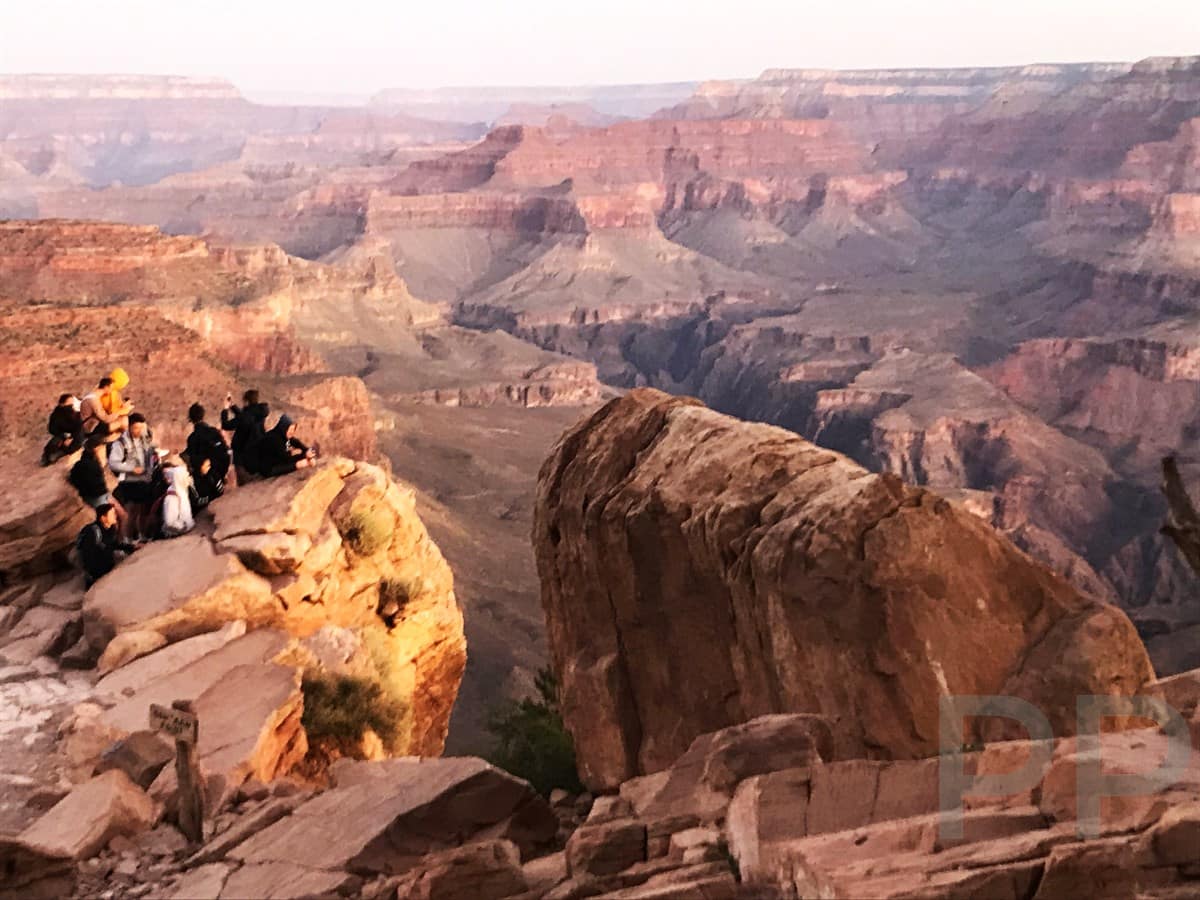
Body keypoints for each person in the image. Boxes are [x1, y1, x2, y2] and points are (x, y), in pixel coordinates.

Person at [68, 424, 129, 537]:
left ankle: (120, 541)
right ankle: (120, 542)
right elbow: (99, 486)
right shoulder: (93, 465)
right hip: (98, 497)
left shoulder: (80, 464)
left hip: (96, 496)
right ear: (96, 448)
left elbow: (73, 479)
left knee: (120, 516)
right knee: (120, 518)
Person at [108, 412, 161, 541]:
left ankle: (141, 535)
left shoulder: (144, 439)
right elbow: (113, 464)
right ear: (129, 426)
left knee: (142, 509)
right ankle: (126, 539)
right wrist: (131, 468)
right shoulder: (120, 443)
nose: (139, 431)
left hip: (144, 481)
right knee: (131, 511)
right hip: (129, 482)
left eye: (141, 428)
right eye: (136, 428)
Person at [75, 503, 136, 588]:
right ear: (103, 518)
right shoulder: (94, 531)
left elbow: (114, 544)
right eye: (112, 513)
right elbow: (90, 552)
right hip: (93, 567)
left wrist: (132, 547)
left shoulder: (110, 528)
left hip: (101, 561)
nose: (115, 515)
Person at [184, 403, 229, 510]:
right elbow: (225, 453)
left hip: (204, 482)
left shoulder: (193, 438)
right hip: (218, 477)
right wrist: (222, 474)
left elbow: (193, 461)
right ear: (203, 415)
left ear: (191, 419)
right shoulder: (214, 432)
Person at [221, 389, 269, 483]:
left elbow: (226, 425)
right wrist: (233, 406)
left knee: (245, 483)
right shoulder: (260, 413)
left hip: (242, 457)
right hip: (257, 453)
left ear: (246, 401)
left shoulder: (245, 416)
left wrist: (225, 409)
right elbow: (245, 418)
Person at [41, 393, 84, 466]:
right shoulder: (56, 415)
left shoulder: (75, 413)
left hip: (75, 437)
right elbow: (52, 428)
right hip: (62, 434)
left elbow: (78, 427)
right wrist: (63, 437)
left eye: (72, 404)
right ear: (61, 404)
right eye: (69, 404)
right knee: (54, 443)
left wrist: (71, 438)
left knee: (74, 444)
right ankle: (47, 455)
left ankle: (58, 454)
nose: (71, 406)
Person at [159, 461, 195, 538]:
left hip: (180, 527)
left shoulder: (175, 492)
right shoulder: (178, 489)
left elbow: (169, 523)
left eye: (168, 473)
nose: (166, 476)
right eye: (164, 474)